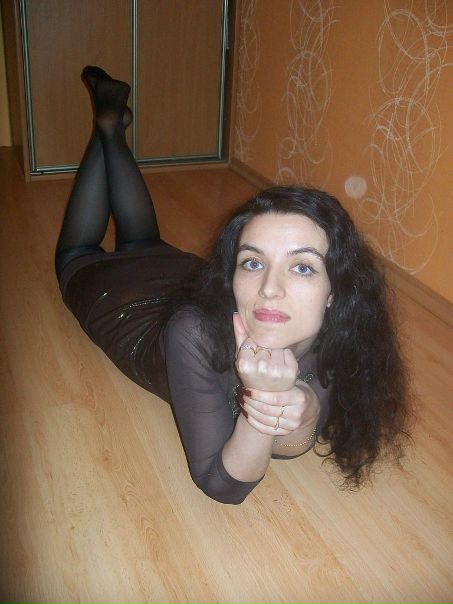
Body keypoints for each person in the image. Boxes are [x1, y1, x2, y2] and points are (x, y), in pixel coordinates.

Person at [56, 66, 409, 505]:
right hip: (114, 295)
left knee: (144, 240)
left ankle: (110, 122)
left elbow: (294, 441)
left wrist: (299, 406)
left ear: (336, 289)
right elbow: (222, 485)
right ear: (232, 269)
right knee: (78, 252)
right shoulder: (194, 333)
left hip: (173, 273)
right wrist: (266, 409)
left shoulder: (341, 327)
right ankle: (108, 126)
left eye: (302, 268)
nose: (270, 289)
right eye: (253, 262)